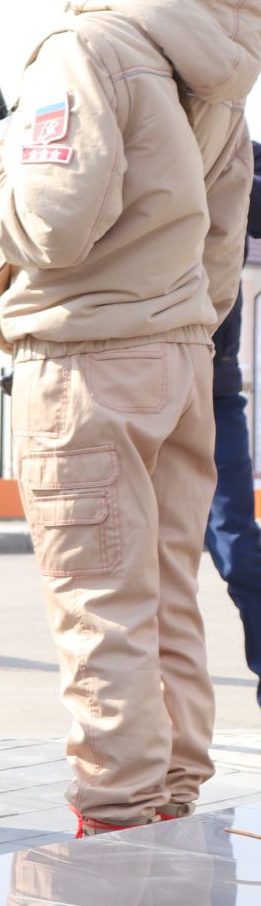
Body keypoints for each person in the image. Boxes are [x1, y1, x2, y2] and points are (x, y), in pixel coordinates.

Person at [0, 0, 260, 838]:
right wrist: (180, 321)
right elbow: (224, 233)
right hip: (181, 352)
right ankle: (170, 797)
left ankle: (117, 822)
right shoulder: (211, 58)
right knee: (166, 588)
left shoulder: (85, 42)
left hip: (90, 359)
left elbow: (51, 220)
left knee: (99, 600)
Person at [201, 146, 261, 708]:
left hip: (214, 389)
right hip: (127, 379)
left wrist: (230, 164)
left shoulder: (235, 148)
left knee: (240, 550)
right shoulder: (121, 120)